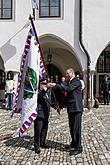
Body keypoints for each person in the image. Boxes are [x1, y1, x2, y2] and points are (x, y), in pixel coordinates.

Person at [47, 68, 83, 155]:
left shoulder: (76, 81)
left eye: (67, 73)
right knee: (72, 127)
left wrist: (55, 85)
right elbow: (67, 96)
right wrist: (61, 106)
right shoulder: (69, 82)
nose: (66, 75)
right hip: (71, 108)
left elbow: (68, 89)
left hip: (76, 108)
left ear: (72, 73)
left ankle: (78, 147)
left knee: (76, 128)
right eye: (66, 73)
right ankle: (73, 143)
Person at [34, 78, 52, 154]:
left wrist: (57, 106)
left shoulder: (47, 92)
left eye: (45, 84)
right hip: (39, 114)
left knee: (44, 129)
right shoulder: (37, 92)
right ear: (40, 84)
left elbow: (49, 101)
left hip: (46, 113)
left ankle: (42, 143)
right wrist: (45, 89)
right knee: (38, 131)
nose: (45, 85)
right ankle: (36, 146)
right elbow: (39, 97)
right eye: (43, 84)